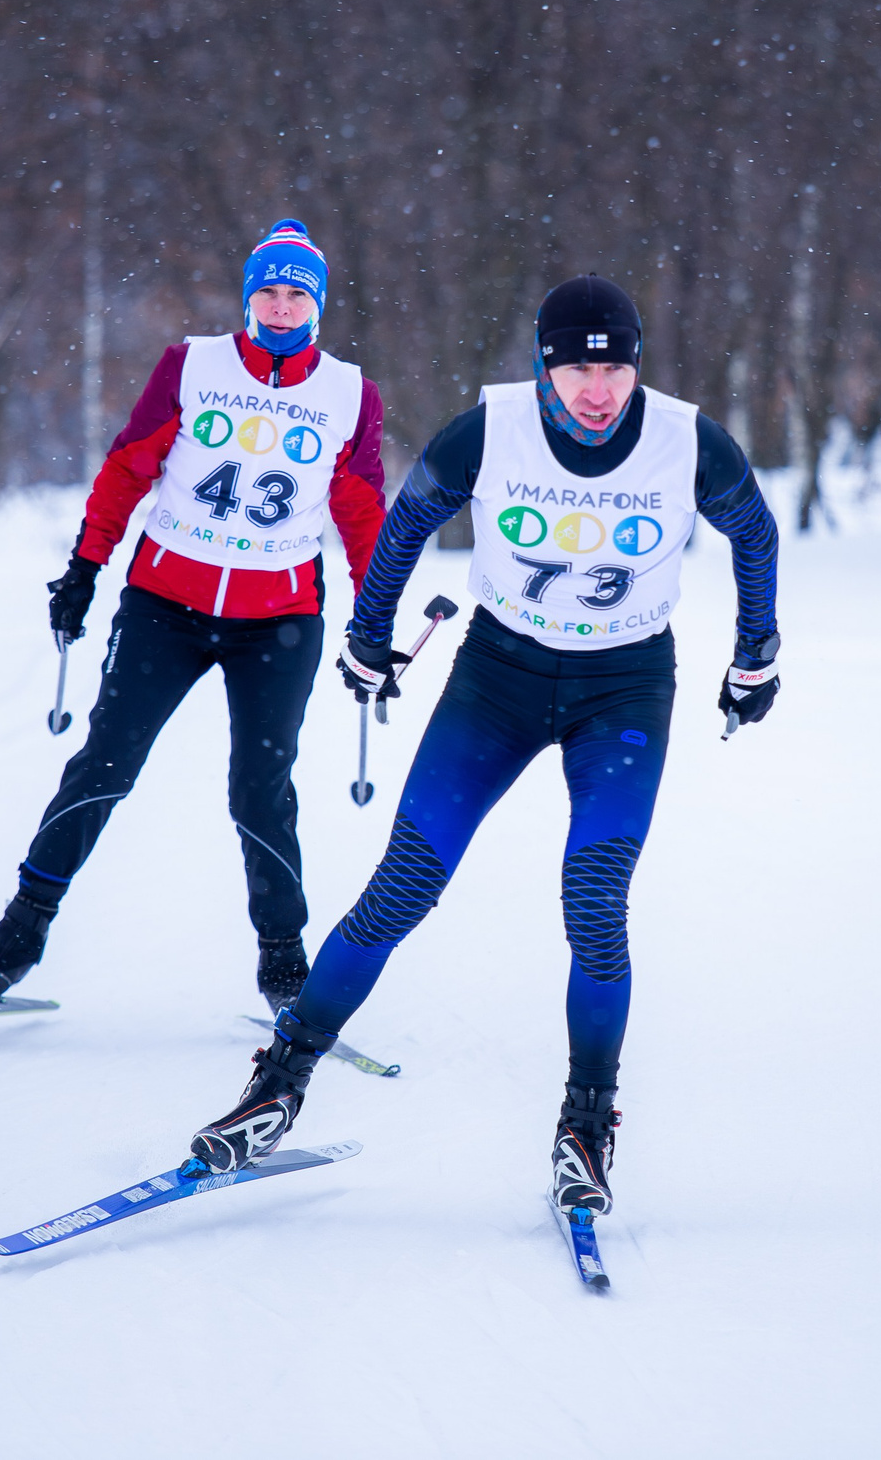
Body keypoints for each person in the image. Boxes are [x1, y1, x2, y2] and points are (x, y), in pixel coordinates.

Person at [182, 273, 782, 1219]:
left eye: (616, 365)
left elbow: (755, 532)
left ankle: (585, 1122)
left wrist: (756, 657)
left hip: (623, 689)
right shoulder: (489, 431)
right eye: (577, 367)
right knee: (403, 884)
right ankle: (278, 1083)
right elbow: (406, 524)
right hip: (496, 680)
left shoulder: (684, 439)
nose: (598, 389)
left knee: (594, 898)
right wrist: (369, 635)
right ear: (544, 367)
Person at [0, 220, 387, 1013]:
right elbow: (129, 466)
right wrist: (85, 567)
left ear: (317, 306)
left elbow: (361, 511)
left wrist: (376, 618)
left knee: (261, 790)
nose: (282, 308)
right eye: (269, 291)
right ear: (249, 295)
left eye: (297, 295)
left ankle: (284, 964)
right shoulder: (192, 366)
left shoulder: (349, 393)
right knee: (104, 767)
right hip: (165, 604)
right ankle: (19, 936)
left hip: (279, 617)